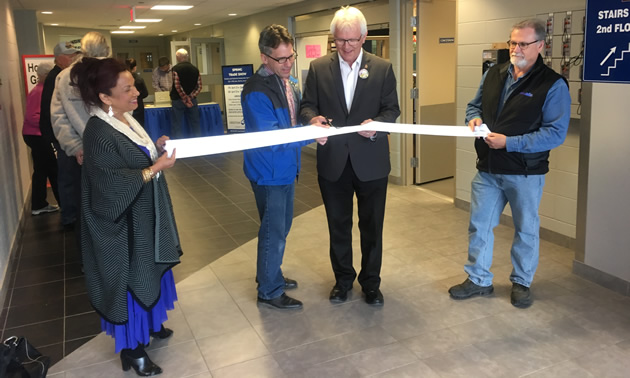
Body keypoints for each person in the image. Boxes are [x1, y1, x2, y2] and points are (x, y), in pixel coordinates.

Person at [448, 19, 571, 309]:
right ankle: (478, 280)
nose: (516, 48)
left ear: (540, 46)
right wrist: (473, 118)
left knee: (525, 229)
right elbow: (474, 105)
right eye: (512, 42)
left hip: (525, 172)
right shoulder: (494, 74)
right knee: (479, 226)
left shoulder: (552, 84)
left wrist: (510, 142)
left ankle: (522, 282)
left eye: (523, 44)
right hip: (488, 168)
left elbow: (555, 133)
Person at [71, 57, 180, 376]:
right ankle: (133, 350)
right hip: (120, 228)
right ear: (105, 97)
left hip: (140, 219)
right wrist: (155, 168)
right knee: (130, 280)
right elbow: (109, 186)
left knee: (149, 269)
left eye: (133, 84)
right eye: (127, 88)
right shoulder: (98, 131)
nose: (136, 92)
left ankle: (150, 324)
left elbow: (134, 156)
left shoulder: (124, 118)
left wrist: (154, 149)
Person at [299, 6, 400, 306]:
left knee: (372, 226)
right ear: (334, 38)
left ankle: (371, 283)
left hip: (371, 161)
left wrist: (378, 127)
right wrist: (311, 120)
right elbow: (307, 106)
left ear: (364, 36)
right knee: (337, 224)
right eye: (340, 41)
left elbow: (392, 110)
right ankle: (343, 280)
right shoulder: (318, 68)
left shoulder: (382, 68)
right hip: (333, 163)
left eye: (352, 40)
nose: (346, 47)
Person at [242, 24, 314, 310]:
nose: (287, 64)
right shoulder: (256, 91)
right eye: (280, 59)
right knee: (273, 230)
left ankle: (271, 275)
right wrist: (310, 134)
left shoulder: (288, 82)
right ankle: (269, 290)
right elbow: (274, 137)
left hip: (286, 167)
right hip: (269, 171)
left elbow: (295, 121)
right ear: (265, 58)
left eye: (291, 57)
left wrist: (312, 122)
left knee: (281, 226)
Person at [51, 31, 110, 231]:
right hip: (111, 150)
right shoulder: (113, 73)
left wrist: (75, 146)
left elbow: (59, 118)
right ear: (106, 50)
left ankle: (90, 256)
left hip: (81, 153)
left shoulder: (65, 76)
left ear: (82, 50)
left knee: (84, 208)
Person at [39, 41, 79, 226]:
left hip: (63, 136)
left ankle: (71, 213)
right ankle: (70, 216)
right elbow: (52, 113)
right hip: (61, 138)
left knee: (69, 175)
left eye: (74, 54)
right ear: (58, 57)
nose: (72, 58)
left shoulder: (62, 75)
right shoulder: (56, 78)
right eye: (69, 55)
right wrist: (60, 140)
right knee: (67, 176)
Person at [23, 61, 60, 215]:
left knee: (41, 170)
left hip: (34, 134)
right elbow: (33, 116)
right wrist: (48, 127)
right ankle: (62, 203)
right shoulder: (40, 91)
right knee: (52, 168)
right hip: (37, 135)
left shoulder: (38, 90)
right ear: (44, 75)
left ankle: (39, 204)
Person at [170, 49, 202, 138]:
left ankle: (178, 145)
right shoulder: (195, 69)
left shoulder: (176, 69)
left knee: (177, 124)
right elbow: (199, 86)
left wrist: (185, 98)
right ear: (187, 57)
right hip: (192, 101)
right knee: (195, 123)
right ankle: (198, 143)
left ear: (178, 57)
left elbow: (177, 86)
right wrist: (190, 97)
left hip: (178, 100)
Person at [125, 58, 149, 126]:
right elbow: (145, 93)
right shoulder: (138, 79)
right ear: (135, 68)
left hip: (126, 105)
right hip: (138, 106)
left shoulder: (122, 78)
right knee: (139, 126)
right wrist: (138, 97)